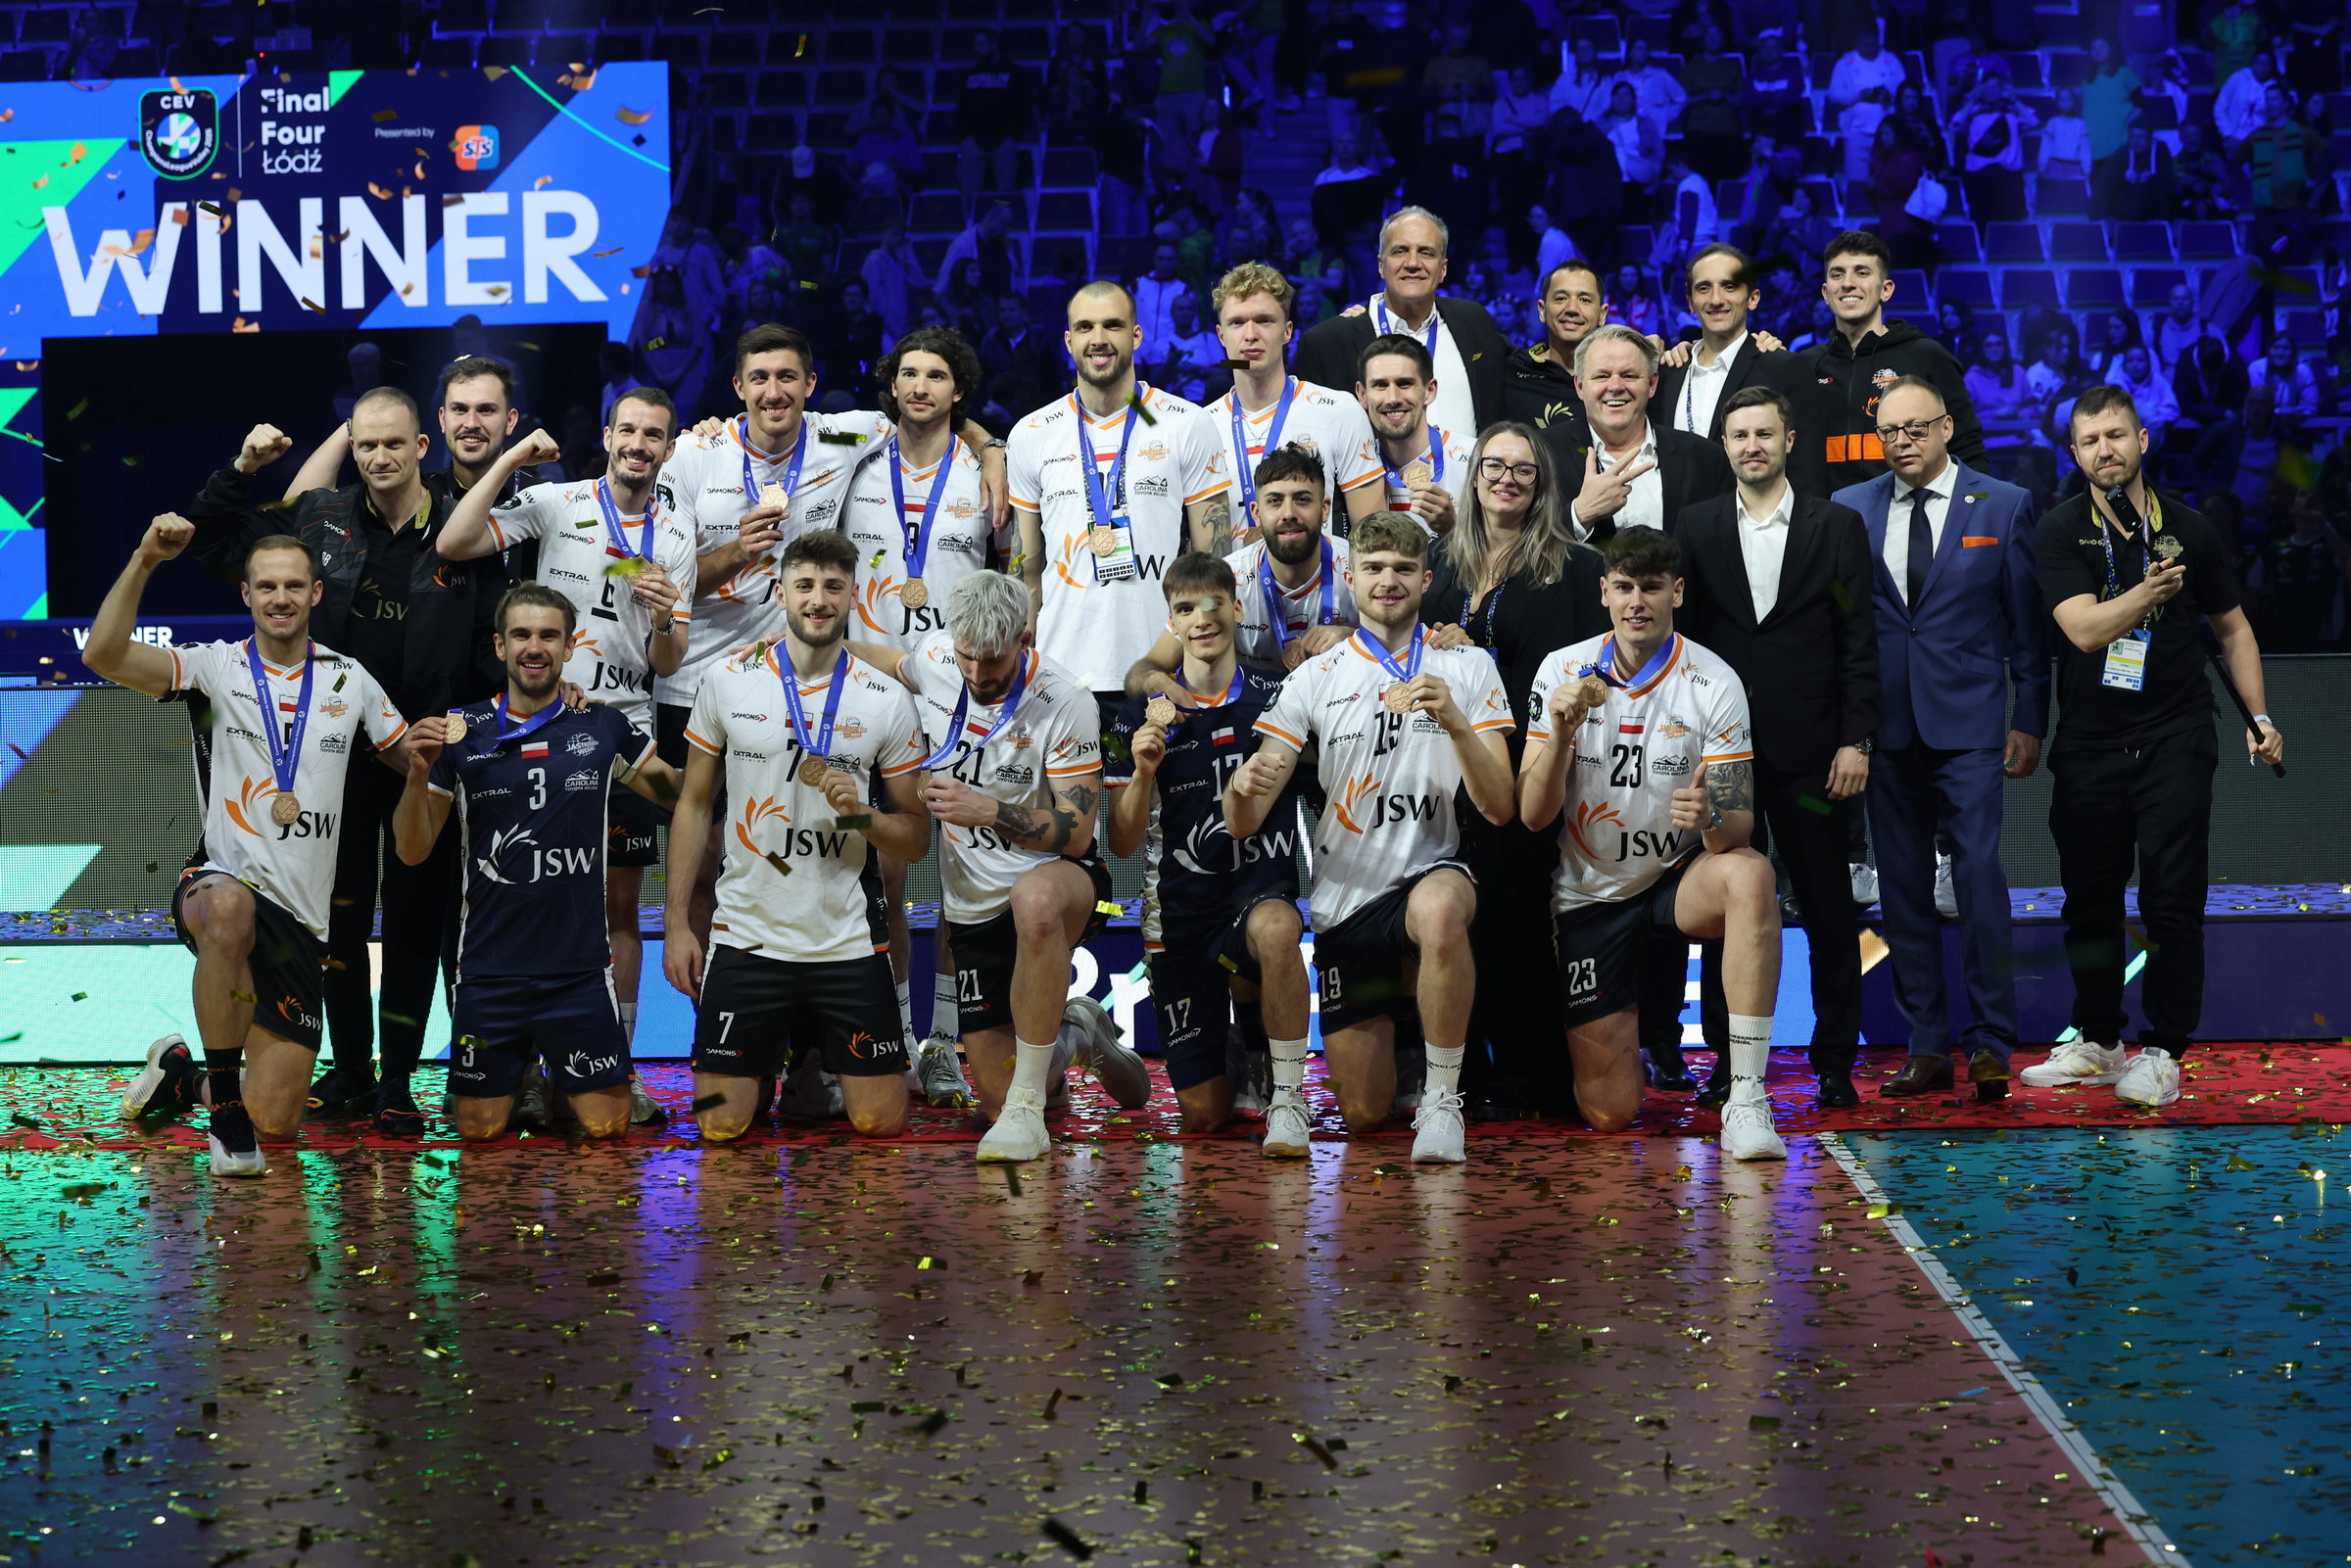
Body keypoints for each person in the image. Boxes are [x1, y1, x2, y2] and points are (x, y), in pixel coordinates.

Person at [652, 325, 1004, 1082]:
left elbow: (938, 413)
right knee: (723, 864)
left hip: (872, 688)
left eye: (788, 376)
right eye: (758, 378)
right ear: (737, 388)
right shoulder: (694, 453)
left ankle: (902, 1043)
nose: (773, 391)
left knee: (886, 873)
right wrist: (738, 551)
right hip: (716, 679)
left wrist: (992, 447)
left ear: (811, 385)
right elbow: (663, 577)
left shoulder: (851, 437)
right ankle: (733, 1039)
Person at [182, 396, 505, 1133]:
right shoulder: (319, 518)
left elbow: (494, 638)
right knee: (340, 924)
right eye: (366, 445)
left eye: (394, 443)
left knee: (419, 923)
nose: (380, 457)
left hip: (421, 758)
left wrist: (477, 720)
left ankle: (399, 1082)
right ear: (351, 447)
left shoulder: (463, 526)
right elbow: (211, 539)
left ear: (421, 444)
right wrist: (242, 467)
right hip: (330, 764)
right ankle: (353, 1071)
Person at [92, 519, 409, 1173]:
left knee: (279, 1120)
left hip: (302, 922)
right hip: (218, 880)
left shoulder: (350, 680)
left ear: (316, 593)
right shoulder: (213, 666)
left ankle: (185, 1077)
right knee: (231, 909)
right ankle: (225, 1112)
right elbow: (103, 654)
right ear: (246, 594)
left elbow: (411, 756)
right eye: (266, 586)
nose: (280, 597)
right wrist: (144, 558)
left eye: (293, 585)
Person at [2021, 386, 2285, 1107]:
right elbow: (2083, 630)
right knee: (2089, 902)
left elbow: (2233, 628)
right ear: (2074, 454)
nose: (2104, 450)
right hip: (2089, 741)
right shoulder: (2059, 529)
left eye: (2116, 435)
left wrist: (2259, 715)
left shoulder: (2189, 529)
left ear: (2143, 439)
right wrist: (2148, 592)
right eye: (2089, 441)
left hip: (2176, 734)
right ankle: (2100, 1041)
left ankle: (2163, 1050)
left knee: (2172, 901)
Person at [434, 390, 694, 1123]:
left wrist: (665, 618)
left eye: (654, 435)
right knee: (523, 888)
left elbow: (668, 659)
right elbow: (453, 541)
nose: (639, 444)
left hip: (621, 728)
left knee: (617, 906)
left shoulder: (676, 530)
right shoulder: (557, 501)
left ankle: (617, 1063)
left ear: (669, 448)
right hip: (541, 720)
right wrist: (515, 457)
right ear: (607, 436)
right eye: (628, 430)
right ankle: (523, 1069)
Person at [1224, 512, 1515, 1164]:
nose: (1389, 581)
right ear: (1350, 579)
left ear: (1426, 581)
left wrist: (1456, 721)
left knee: (1440, 907)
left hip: (1432, 874)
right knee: (1362, 1112)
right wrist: (1241, 787)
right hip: (1347, 901)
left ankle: (1442, 1101)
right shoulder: (1316, 676)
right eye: (1375, 568)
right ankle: (1395, 1038)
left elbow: (1501, 807)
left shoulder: (1467, 666)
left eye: (1404, 569)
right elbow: (1243, 820)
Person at [853, 570, 1150, 1160]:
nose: (976, 673)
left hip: (1061, 883)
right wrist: (800, 646)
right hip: (974, 909)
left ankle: (1026, 1113)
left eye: (991, 660)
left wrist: (988, 809)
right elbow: (888, 661)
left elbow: (1077, 834)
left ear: (1024, 639)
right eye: (967, 656)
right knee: (996, 1090)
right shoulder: (939, 657)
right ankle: (1076, 1034)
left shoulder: (1065, 700)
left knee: (1033, 902)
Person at [1515, 526, 1786, 1161]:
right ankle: (1624, 1042)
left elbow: (1737, 829)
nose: (1637, 601)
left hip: (1675, 877)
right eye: (1625, 587)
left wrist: (1710, 814)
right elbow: (1532, 815)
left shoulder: (1714, 680)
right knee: (1610, 1113)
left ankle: (1746, 1096)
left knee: (1750, 874)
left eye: (1652, 587)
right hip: (1590, 893)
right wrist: (1559, 735)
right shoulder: (1562, 671)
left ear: (1677, 592)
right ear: (1604, 593)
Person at [662, 533, 934, 1142]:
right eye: (805, 585)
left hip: (846, 943)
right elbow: (694, 804)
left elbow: (917, 839)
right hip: (747, 937)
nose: (819, 600)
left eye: (834, 587)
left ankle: (807, 1069)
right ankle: (772, 1073)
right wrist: (677, 922)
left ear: (853, 597)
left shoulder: (888, 700)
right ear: (780, 593)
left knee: (881, 1122)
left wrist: (861, 816)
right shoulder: (727, 679)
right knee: (720, 1123)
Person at [390, 585, 683, 1140]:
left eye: (549, 635)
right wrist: (416, 774)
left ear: (570, 647)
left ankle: (556, 1082)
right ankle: (530, 1076)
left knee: (607, 1127)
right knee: (478, 1131)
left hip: (579, 972)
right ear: (500, 646)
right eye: (521, 635)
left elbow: (679, 794)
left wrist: (741, 743)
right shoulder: (459, 730)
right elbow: (411, 850)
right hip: (488, 971)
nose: (535, 647)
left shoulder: (602, 726)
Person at [1827, 377, 2046, 1101]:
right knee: (1902, 889)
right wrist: (1851, 728)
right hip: (1886, 728)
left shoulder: (2003, 503)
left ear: (1947, 429)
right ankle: (1926, 1046)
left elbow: (2027, 628)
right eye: (1890, 432)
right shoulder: (1849, 508)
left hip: (1971, 725)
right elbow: (1844, 627)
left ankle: (1991, 1043)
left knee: (1978, 874)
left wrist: (2029, 719)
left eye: (1916, 428)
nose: (1903, 442)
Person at [1669, 386, 1878, 1107]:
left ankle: (1835, 1063)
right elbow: (1686, 645)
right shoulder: (1695, 525)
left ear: (1789, 440)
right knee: (1730, 903)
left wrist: (1856, 740)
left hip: (1817, 756)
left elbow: (1858, 641)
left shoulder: (1837, 525)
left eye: (1764, 433)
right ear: (1724, 445)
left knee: (1828, 907)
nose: (1751, 446)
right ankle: (1729, 1063)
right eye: (1739, 435)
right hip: (1726, 755)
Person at [833, 326, 1002, 1107]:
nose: (919, 387)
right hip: (870, 688)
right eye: (908, 373)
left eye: (936, 375)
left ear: (957, 390)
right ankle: (899, 1041)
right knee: (888, 882)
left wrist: (993, 447)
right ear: (892, 385)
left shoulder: (985, 466)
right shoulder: (857, 459)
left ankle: (944, 1047)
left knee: (964, 886)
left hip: (958, 691)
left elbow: (1016, 567)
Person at [1422, 423, 1607, 1117]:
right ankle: (1463, 1072)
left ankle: (1535, 1077)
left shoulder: (1577, 568)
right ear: (1473, 475)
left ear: (1542, 484)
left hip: (1534, 765)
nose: (1506, 479)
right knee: (1465, 922)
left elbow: (1590, 675)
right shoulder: (1438, 563)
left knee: (1521, 919)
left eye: (1523, 470)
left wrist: (1477, 654)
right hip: (1449, 768)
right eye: (1494, 466)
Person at [1105, 554, 1314, 1142]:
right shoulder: (1136, 717)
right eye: (1185, 608)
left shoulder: (1280, 694)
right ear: (1171, 623)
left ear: (1237, 607)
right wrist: (1143, 773)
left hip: (1257, 895)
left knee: (1276, 926)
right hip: (1182, 914)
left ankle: (1288, 1097)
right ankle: (1238, 1044)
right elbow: (1121, 842)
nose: (1202, 618)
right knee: (1203, 1116)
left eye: (1213, 603)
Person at [1008, 280, 1232, 706]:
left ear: (1136, 335)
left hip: (1160, 669)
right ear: (1068, 341)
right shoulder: (1033, 433)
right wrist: (1021, 665)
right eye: (1085, 327)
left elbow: (1214, 566)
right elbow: (1026, 571)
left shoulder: (1183, 424)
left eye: (1112, 325)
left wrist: (1197, 658)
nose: (1098, 339)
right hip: (1058, 674)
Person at [1128, 445, 1357, 691]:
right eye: (1275, 501)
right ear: (1256, 513)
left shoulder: (1360, 568)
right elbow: (1145, 670)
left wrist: (1356, 639)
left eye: (1302, 500)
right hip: (1252, 712)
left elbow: (1392, 649)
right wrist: (1157, 682)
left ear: (1325, 509)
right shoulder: (1226, 580)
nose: (1289, 513)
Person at [1291, 208, 1513, 444]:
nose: (1413, 263)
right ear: (1381, 265)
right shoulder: (1330, 343)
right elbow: (1304, 437)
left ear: (1443, 269)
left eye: (1426, 252)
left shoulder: (1473, 321)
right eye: (1400, 251)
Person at [1205, 262, 1386, 543]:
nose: (1250, 334)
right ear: (1221, 335)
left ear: (1287, 331)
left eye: (1264, 321)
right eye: (1237, 323)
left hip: (1325, 572)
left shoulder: (1339, 411)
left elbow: (1373, 537)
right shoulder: (1203, 426)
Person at [1799, 230, 1990, 497]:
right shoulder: (1805, 366)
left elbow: (1967, 448)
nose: (1848, 283)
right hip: (1825, 515)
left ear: (1886, 290)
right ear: (1826, 292)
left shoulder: (1925, 356)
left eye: (1862, 273)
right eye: (1837, 274)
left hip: (1907, 512)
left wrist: (1976, 507)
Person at [1556, 324, 1735, 545]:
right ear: (1580, 386)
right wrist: (1580, 514)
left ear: (1652, 384)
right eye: (1602, 376)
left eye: (1629, 375)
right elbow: (1522, 544)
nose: (1615, 386)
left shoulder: (1705, 459)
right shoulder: (1542, 453)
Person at [1655, 244, 1802, 443]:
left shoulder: (1782, 369)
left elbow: (1804, 454)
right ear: (1690, 303)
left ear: (1753, 298)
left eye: (1729, 286)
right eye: (1704, 288)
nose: (1716, 299)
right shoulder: (1668, 371)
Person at [1355, 334, 1475, 538]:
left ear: (1430, 390)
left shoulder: (1474, 459)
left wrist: (1453, 528)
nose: (1393, 399)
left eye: (1404, 384)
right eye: (1380, 385)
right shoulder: (1353, 465)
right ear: (1362, 395)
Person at [1504, 261, 1609, 458]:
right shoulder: (1511, 370)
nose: (1572, 308)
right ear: (1542, 310)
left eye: (1585, 300)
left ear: (1602, 314)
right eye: (1560, 298)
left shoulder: (1619, 380)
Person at [953, 31, 1033, 205]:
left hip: (1004, 140)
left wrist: (1013, 135)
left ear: (994, 44)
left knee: (1006, 193)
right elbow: (962, 107)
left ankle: (1003, 219)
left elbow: (1023, 106)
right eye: (975, 44)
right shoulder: (969, 74)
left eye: (980, 44)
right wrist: (964, 138)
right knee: (969, 192)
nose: (977, 48)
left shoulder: (1014, 72)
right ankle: (973, 220)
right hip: (972, 141)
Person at [1964, 330, 2038, 426]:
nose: (1994, 349)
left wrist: (2020, 414)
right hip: (1985, 432)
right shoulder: (1972, 378)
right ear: (1982, 349)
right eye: (1988, 345)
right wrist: (1995, 414)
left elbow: (2031, 405)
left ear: (2005, 347)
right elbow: (1965, 415)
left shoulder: (2018, 372)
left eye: (1999, 344)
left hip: (2017, 430)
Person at [2246, 330, 2324, 418]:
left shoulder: (2302, 370)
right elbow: (2257, 404)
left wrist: (2290, 412)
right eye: (2276, 348)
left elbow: (2311, 408)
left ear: (2293, 351)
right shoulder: (2257, 368)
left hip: (2295, 421)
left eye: (2286, 348)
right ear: (2268, 350)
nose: (2280, 353)